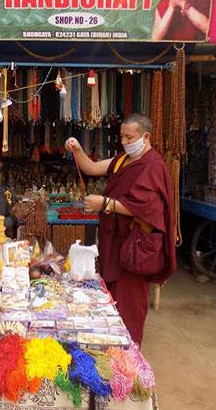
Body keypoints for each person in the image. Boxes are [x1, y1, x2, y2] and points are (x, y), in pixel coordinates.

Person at [65, 114, 176, 345]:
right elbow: (92, 167)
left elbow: (145, 208)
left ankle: (129, 358)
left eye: (130, 137)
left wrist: (105, 203)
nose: (125, 141)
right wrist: (76, 149)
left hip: (135, 245)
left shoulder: (154, 166)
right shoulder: (123, 160)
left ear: (145, 137)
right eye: (122, 136)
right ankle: (112, 350)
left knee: (130, 304)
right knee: (111, 299)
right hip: (114, 241)